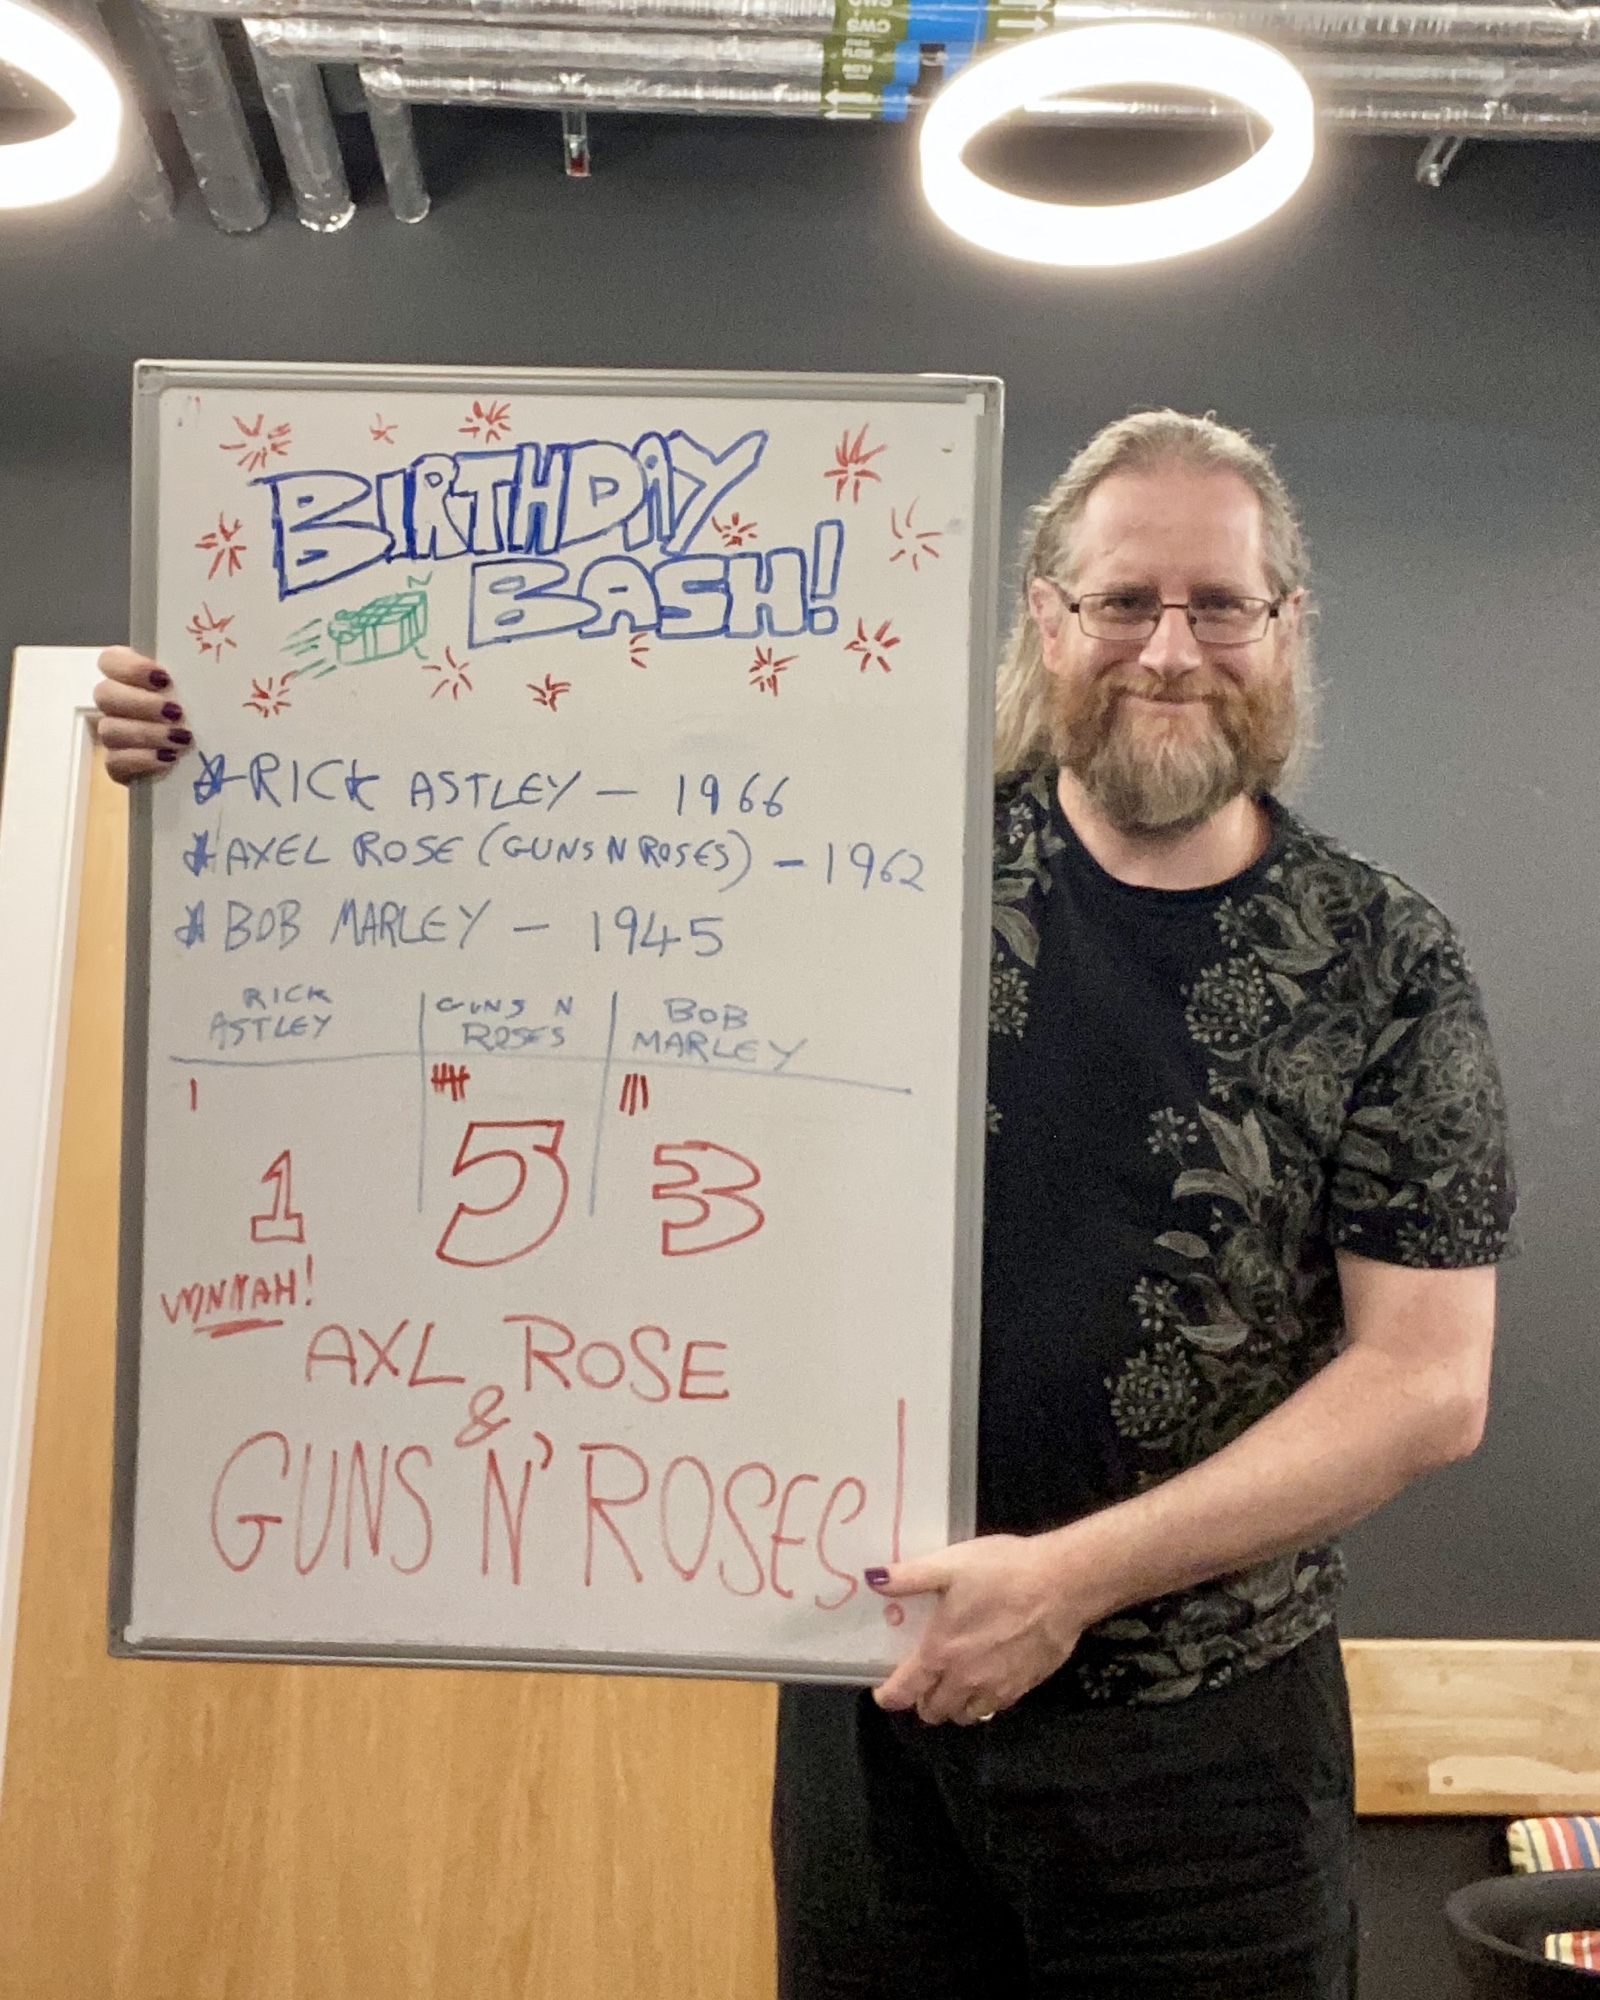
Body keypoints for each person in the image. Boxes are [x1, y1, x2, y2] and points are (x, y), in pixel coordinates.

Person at [94, 408, 1517, 2000]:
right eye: (1124, 601)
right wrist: (226, 742)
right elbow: (512, 868)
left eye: (1219, 605)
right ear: (1047, 617)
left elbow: (1425, 1382)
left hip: (1209, 1758)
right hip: (874, 1719)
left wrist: (1066, 1582)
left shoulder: (1388, 959)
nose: (1170, 650)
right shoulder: (869, 856)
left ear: (1286, 624)